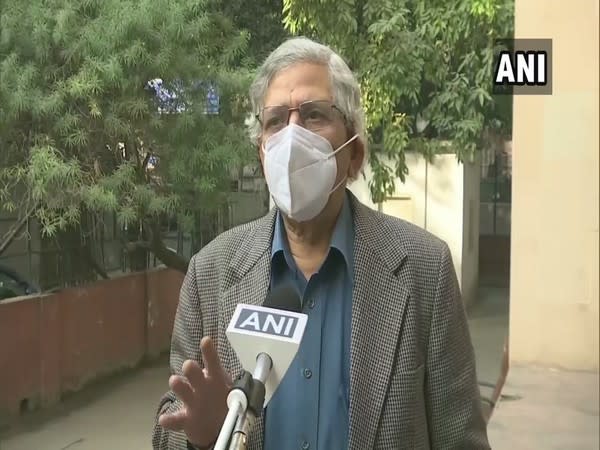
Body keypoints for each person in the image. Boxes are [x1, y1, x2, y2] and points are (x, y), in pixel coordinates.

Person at [153, 36, 490, 450]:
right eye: (276, 120)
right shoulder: (210, 273)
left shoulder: (424, 269)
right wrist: (199, 439)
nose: (292, 138)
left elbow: (461, 440)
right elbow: (170, 423)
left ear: (355, 155)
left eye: (313, 115)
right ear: (262, 154)